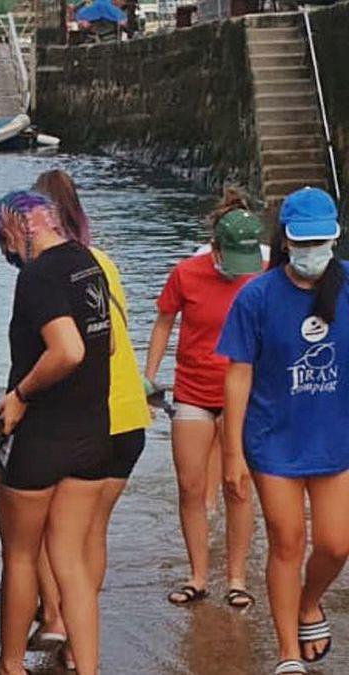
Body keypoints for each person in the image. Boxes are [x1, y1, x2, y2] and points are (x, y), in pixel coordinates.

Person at [219, 187, 349, 675]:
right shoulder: (257, 296)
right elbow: (238, 375)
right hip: (273, 441)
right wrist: (231, 452)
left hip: (334, 437)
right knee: (287, 540)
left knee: (336, 543)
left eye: (322, 241)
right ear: (286, 241)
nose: (313, 251)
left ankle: (308, 602)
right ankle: (287, 651)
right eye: (303, 241)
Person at [0, 190, 112, 675]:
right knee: (72, 560)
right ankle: (89, 669)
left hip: (42, 437)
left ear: (21, 230)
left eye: (5, 241)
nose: (6, 254)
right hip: (91, 435)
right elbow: (110, 346)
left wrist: (20, 395)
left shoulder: (38, 276)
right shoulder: (88, 262)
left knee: (20, 557)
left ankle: (12, 666)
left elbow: (68, 350)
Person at [29, 170, 152, 669]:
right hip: (130, 418)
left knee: (46, 530)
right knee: (91, 529)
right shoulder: (103, 263)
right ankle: (82, 635)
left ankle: (58, 621)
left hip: (90, 418)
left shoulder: (49, 271)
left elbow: (59, 353)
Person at [144, 201, 263, 609]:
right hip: (193, 390)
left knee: (238, 486)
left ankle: (236, 578)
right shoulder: (186, 273)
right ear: (214, 247)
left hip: (243, 397)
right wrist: (149, 375)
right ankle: (197, 575)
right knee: (191, 487)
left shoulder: (261, 275)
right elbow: (164, 321)